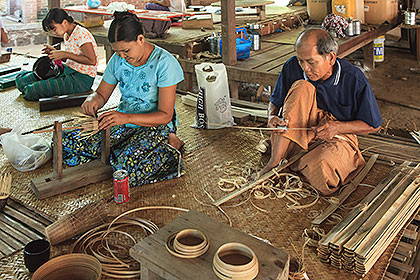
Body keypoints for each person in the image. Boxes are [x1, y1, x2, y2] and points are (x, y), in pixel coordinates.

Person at [62, 11, 185, 187]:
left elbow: (165, 115)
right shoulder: (118, 59)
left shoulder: (164, 63)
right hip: (122, 121)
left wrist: (125, 118)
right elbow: (102, 94)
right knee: (68, 142)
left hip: (155, 125)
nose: (121, 56)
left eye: (126, 50)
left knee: (125, 171)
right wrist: (92, 100)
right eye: (117, 51)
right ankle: (121, 150)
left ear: (141, 39)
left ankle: (170, 143)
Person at [259, 28, 382, 195]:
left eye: (311, 62)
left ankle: (293, 159)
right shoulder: (292, 67)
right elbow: (275, 101)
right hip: (299, 130)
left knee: (322, 169)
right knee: (302, 87)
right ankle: (274, 163)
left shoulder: (352, 78)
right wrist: (272, 116)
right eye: (301, 61)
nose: (305, 68)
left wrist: (337, 127)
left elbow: (373, 125)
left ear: (330, 58)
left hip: (338, 135)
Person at [15, 8, 98, 101]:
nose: (54, 33)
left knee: (32, 90)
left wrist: (65, 54)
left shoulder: (82, 35)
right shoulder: (67, 34)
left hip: (81, 79)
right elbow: (70, 58)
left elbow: (92, 61)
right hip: (68, 70)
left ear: (64, 22)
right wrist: (56, 53)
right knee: (21, 81)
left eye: (54, 29)